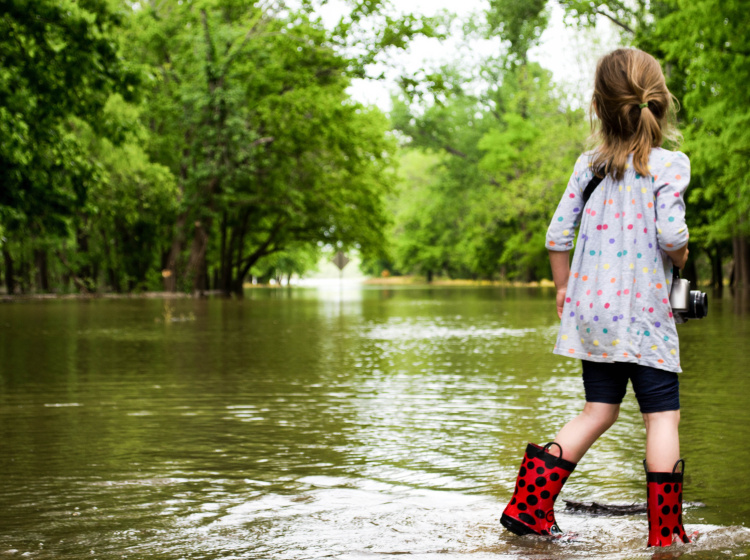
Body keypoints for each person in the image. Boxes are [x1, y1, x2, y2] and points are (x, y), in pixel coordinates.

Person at [500, 48, 693, 548]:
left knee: (597, 411)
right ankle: (666, 533)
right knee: (662, 418)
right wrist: (682, 256)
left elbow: (556, 236)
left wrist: (564, 287)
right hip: (646, 315)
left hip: (594, 315)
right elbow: (672, 236)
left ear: (600, 106)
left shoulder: (589, 166)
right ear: (659, 102)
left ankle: (527, 509)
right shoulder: (669, 165)